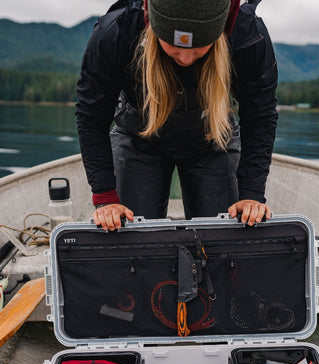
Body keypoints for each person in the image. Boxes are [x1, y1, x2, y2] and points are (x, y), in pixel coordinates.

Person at [76, 0, 278, 231]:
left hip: (213, 139)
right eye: (174, 46)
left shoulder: (248, 36)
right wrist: (106, 198)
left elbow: (260, 115)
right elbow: (91, 117)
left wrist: (252, 194)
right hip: (138, 139)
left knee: (223, 240)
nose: (185, 59)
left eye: (199, 47)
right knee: (131, 241)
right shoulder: (116, 33)